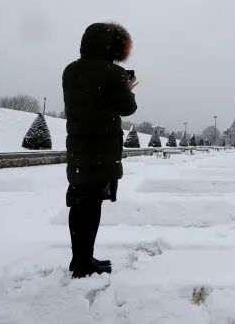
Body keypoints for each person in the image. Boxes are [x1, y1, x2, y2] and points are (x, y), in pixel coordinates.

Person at [62, 22, 138, 278]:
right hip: (102, 147)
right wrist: (127, 88)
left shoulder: (71, 70)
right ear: (113, 46)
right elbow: (127, 108)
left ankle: (78, 258)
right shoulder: (113, 73)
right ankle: (85, 264)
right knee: (93, 204)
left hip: (78, 146)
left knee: (78, 202)